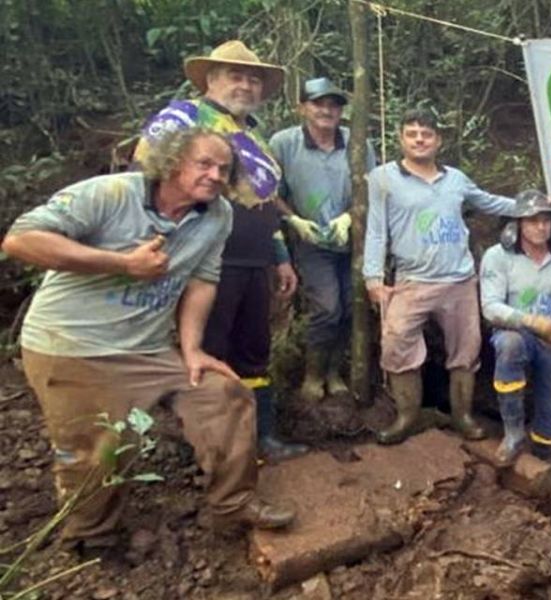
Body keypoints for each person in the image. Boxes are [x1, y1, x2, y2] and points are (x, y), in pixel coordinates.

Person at [3, 128, 295, 550]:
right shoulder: (110, 194)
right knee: (100, 448)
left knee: (224, 395)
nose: (215, 175)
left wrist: (193, 349)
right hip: (71, 346)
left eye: (224, 169)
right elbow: (21, 239)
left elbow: (202, 280)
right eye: (204, 164)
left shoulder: (217, 215)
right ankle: (90, 538)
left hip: (149, 348)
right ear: (174, 162)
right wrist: (121, 263)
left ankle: (232, 505)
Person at [134, 40, 305, 462]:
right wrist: (157, 235)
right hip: (206, 258)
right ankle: (212, 446)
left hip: (254, 259)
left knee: (254, 349)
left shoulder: (253, 135)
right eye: (236, 75)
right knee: (209, 350)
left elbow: (264, 202)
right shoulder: (187, 116)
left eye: (253, 78)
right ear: (211, 78)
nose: (246, 85)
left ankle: (259, 438)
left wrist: (279, 255)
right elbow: (147, 169)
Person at [364, 108, 515, 444]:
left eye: (427, 134)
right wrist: (372, 277)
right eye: (412, 133)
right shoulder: (383, 178)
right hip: (410, 280)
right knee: (396, 344)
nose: (420, 139)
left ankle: (462, 415)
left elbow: (489, 202)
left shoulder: (456, 179)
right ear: (401, 138)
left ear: (438, 140)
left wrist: (531, 207)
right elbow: (376, 231)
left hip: (458, 280)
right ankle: (408, 416)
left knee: (466, 348)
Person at [269, 77, 376, 405]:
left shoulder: (357, 142)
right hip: (312, 242)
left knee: (349, 308)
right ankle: (313, 375)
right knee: (327, 308)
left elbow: (370, 187)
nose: (327, 110)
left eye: (334, 104)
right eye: (318, 103)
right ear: (302, 107)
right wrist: (294, 221)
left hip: (353, 239)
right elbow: (269, 193)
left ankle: (333, 372)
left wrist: (349, 217)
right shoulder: (284, 143)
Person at [479, 190, 551, 465]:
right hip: (518, 331)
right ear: (517, 224)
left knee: (550, 400)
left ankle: (542, 452)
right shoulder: (497, 257)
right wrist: (534, 321)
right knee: (509, 346)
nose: (541, 226)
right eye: (532, 220)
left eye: (546, 220)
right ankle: (513, 434)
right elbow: (490, 306)